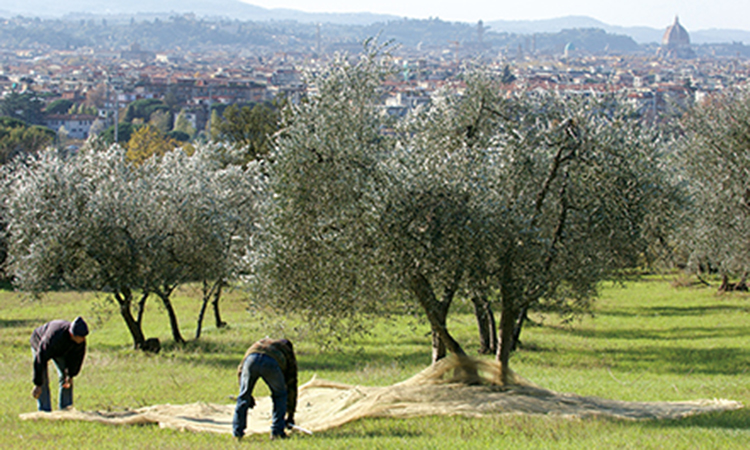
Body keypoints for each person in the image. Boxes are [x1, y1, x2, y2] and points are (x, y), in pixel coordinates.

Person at [232, 338, 298, 441]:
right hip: (270, 363)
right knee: (280, 395)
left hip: (251, 360)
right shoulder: (287, 352)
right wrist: (290, 415)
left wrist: (247, 394)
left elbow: (241, 369)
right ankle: (277, 432)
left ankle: (237, 432)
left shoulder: (260, 343)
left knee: (243, 397)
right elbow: (291, 383)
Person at [30, 316, 89, 412]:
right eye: (81, 337)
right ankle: (44, 411)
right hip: (40, 344)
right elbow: (40, 358)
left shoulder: (79, 341)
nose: (83, 339)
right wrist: (37, 384)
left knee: (65, 379)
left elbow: (77, 359)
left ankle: (66, 409)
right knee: (43, 379)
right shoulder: (54, 336)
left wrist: (70, 375)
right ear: (72, 334)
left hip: (61, 351)